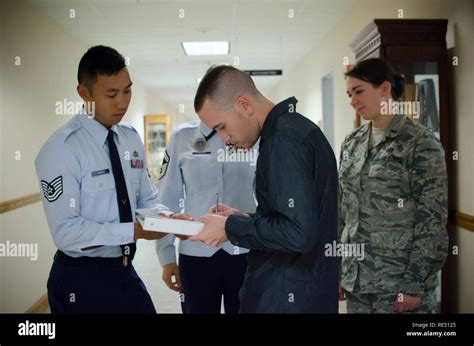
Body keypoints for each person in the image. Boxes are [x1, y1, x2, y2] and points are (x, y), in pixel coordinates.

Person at [35, 45, 190, 313]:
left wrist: (166, 218)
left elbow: (146, 197)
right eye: (111, 94)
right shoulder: (61, 149)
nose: (122, 102)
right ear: (84, 93)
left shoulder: (129, 138)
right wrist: (134, 231)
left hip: (124, 270)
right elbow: (66, 233)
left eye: (128, 90)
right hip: (80, 278)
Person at [189, 65, 339, 313]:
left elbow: (298, 233)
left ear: (244, 105)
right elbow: (294, 219)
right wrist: (243, 218)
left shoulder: (283, 140)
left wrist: (230, 228)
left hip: (287, 296)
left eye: (222, 126)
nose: (224, 139)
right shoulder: (295, 129)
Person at [339, 58, 448, 313]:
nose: (352, 101)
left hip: (399, 284)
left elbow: (432, 219)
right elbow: (342, 209)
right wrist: (341, 269)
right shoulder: (352, 143)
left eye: (358, 92)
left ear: (385, 89)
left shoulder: (420, 143)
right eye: (349, 94)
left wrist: (414, 285)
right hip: (357, 282)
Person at [155, 120, 257, 313]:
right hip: (196, 253)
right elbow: (168, 200)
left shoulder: (252, 136)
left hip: (245, 251)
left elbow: (266, 196)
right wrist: (166, 256)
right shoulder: (182, 138)